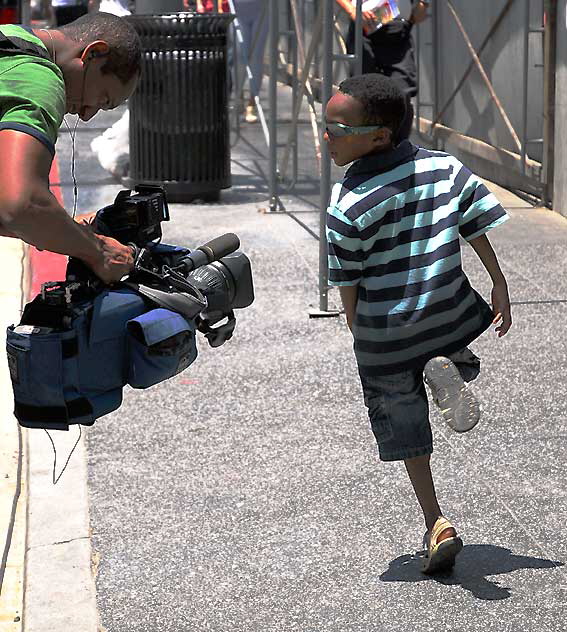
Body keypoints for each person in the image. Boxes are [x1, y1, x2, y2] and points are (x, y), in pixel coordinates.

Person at [324, 74, 512, 574]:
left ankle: (436, 519)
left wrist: (354, 326)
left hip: (386, 332)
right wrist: (499, 284)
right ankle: (452, 361)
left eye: (336, 129)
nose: (326, 136)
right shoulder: (444, 169)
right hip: (447, 312)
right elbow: (476, 226)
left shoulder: (347, 205)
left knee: (404, 421)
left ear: (378, 136)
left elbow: (349, 282)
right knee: (451, 334)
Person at [0, 12, 141, 283]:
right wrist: (99, 253)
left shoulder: (12, 37)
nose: (87, 115)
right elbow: (21, 205)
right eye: (102, 98)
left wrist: (67, 231)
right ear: (93, 54)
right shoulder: (39, 80)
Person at [334, 0, 429, 140]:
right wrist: (352, 11)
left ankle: (398, 149)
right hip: (365, 25)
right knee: (364, 96)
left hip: (397, 26)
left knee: (402, 93)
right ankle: (367, 151)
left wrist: (422, 4)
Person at [231, 0, 268, 124]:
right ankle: (239, 95)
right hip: (238, 9)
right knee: (240, 55)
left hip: (260, 8)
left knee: (256, 57)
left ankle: (252, 103)